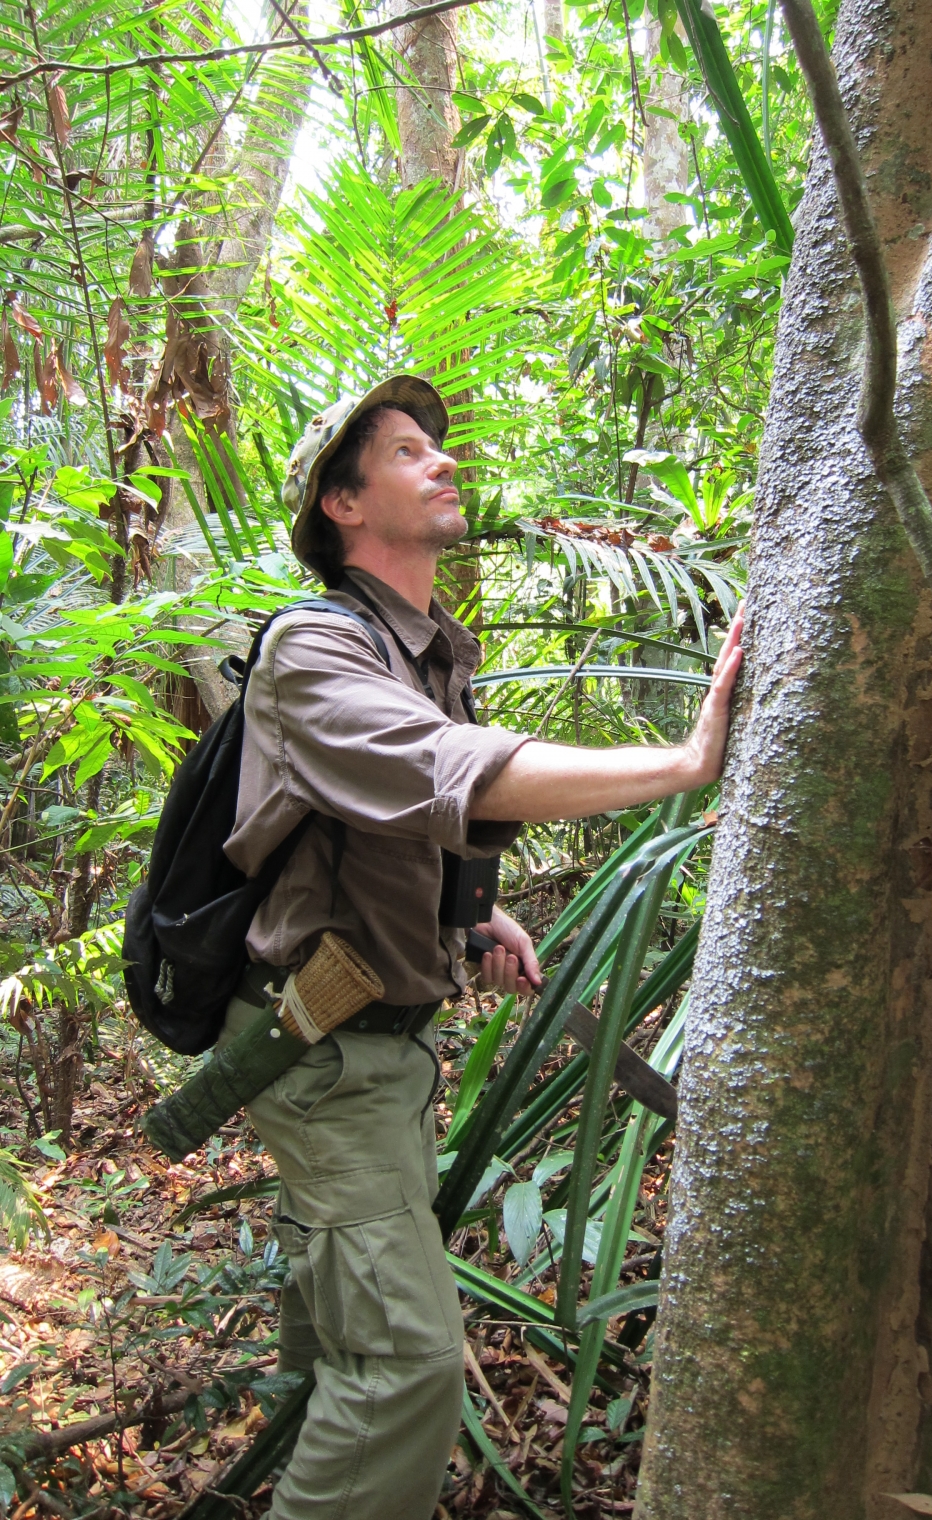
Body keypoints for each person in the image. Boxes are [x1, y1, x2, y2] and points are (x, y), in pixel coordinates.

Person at [218, 374, 744, 1519]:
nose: (443, 462)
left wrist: (470, 916)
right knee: (402, 1368)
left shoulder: (423, 652)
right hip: (319, 1061)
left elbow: (384, 827)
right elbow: (456, 772)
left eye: (435, 448)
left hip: (378, 1055)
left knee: (340, 1347)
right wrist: (685, 758)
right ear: (342, 504)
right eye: (408, 452)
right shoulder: (316, 649)